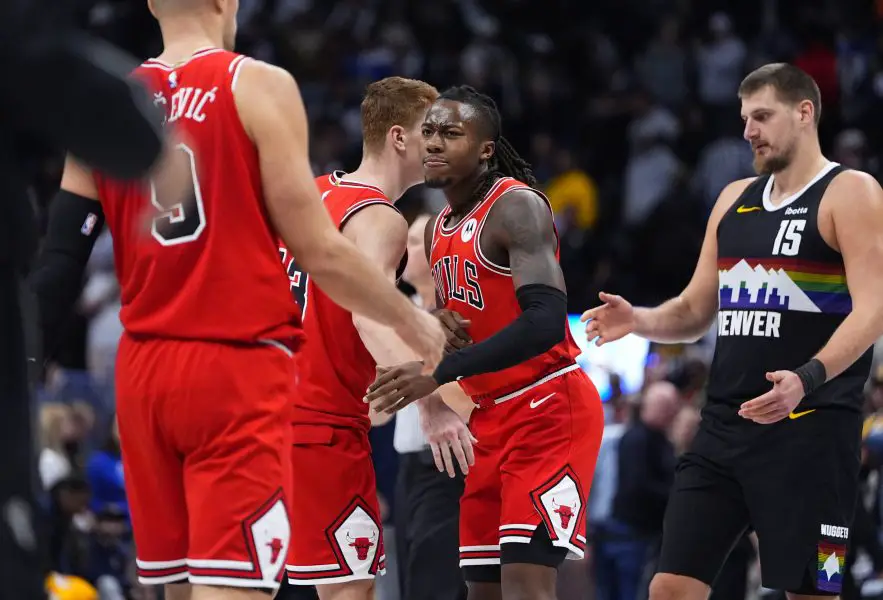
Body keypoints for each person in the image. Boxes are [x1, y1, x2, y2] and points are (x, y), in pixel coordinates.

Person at [39, 2, 446, 599]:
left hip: (143, 370)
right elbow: (320, 252)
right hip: (233, 368)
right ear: (226, 2)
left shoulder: (102, 97)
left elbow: (59, 258)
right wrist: (413, 319)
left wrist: (27, 361)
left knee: (177, 589)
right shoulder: (256, 85)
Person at [581, 63, 883, 599]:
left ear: (804, 113)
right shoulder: (732, 199)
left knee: (813, 592)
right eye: (745, 118)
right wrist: (639, 320)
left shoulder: (850, 192)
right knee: (669, 587)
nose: (748, 131)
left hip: (812, 431)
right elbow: (694, 310)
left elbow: (874, 308)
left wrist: (807, 378)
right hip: (723, 428)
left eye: (762, 116)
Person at [364, 85, 605, 600]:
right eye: (429, 131)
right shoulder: (436, 229)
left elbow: (545, 321)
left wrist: (437, 374)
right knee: (481, 590)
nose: (434, 142)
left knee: (524, 585)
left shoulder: (516, 206)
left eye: (451, 133)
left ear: (485, 149)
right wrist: (432, 337)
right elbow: (468, 324)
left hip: (547, 405)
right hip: (487, 419)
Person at [280, 77, 471, 600]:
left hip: (264, 417)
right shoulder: (380, 217)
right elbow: (369, 318)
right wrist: (430, 405)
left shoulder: (311, 194)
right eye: (432, 131)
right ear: (399, 137)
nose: (442, 145)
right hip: (321, 426)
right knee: (349, 591)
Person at [393, 213, 471, 600]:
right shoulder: (398, 309)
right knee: (408, 581)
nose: (402, 249)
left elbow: (470, 395)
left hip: (447, 461)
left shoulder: (460, 316)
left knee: (435, 584)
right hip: (406, 466)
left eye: (412, 242)